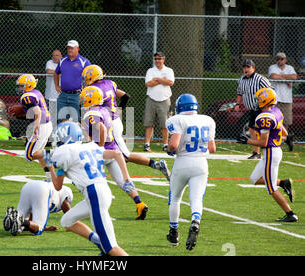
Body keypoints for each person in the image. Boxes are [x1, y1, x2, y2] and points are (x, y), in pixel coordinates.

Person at [48, 121, 129, 256]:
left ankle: (105, 246)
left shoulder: (65, 152)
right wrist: (127, 179)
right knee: (66, 221)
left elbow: (57, 185)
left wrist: (48, 164)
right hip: (102, 192)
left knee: (111, 248)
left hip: (94, 194)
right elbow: (58, 185)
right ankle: (100, 242)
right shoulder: (90, 147)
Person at [81, 64, 171, 181]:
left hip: (108, 124)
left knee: (124, 155)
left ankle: (157, 165)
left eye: (87, 77)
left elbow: (94, 104)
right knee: (100, 150)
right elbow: (125, 96)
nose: (85, 81)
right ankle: (89, 176)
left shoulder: (96, 90)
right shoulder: (110, 83)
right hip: (110, 121)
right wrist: (118, 111)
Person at [80, 85, 150, 220]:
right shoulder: (105, 110)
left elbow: (101, 129)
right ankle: (139, 204)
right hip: (113, 150)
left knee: (85, 178)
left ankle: (95, 208)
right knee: (122, 181)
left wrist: (99, 147)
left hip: (101, 152)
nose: (82, 100)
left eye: (84, 97)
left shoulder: (91, 113)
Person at [237, 88, 297, 223]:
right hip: (272, 152)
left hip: (271, 152)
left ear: (266, 101)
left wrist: (246, 141)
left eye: (259, 100)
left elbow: (263, 142)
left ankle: (290, 214)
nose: (257, 102)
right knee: (254, 178)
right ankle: (283, 182)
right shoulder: (276, 111)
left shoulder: (265, 117)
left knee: (270, 188)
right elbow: (285, 133)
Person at [165, 93, 216, 251]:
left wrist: (168, 149)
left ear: (180, 106)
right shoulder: (207, 120)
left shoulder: (177, 119)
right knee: (196, 199)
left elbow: (173, 145)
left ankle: (174, 233)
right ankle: (195, 221)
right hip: (201, 163)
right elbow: (212, 149)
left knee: (175, 198)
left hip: (182, 162)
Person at [12, 74, 54, 182]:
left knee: (30, 155)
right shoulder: (35, 92)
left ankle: (55, 154)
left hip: (41, 125)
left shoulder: (27, 97)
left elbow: (38, 112)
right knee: (39, 154)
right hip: (46, 124)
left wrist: (35, 128)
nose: (19, 88)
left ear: (28, 85)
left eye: (21, 86)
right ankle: (50, 177)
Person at [3, 180, 73, 236]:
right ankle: (21, 220)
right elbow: (65, 204)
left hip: (28, 186)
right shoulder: (66, 192)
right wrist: (72, 224)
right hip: (42, 189)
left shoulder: (55, 191)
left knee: (19, 226)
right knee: (38, 228)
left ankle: (12, 218)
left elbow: (31, 221)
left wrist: (46, 229)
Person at [234, 59, 272, 160]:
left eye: (248, 67)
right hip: (251, 109)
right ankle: (257, 151)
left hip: (260, 108)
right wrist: (237, 103)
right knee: (252, 129)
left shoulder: (260, 79)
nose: (246, 69)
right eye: (244, 67)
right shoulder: (241, 79)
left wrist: (267, 106)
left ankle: (258, 151)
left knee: (257, 129)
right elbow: (239, 92)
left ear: (253, 68)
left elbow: (270, 91)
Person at [143, 52, 175, 152]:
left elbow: (170, 82)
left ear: (163, 60)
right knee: (149, 123)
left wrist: (157, 79)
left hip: (164, 99)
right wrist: (162, 80)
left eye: (159, 59)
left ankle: (165, 144)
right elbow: (148, 83)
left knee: (165, 124)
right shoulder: (150, 71)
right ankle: (147, 144)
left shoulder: (169, 70)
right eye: (156, 59)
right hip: (151, 99)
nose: (157, 61)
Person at [54, 40, 91, 123]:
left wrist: (87, 89)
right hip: (63, 95)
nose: (70, 50)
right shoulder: (62, 60)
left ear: (77, 48)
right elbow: (56, 73)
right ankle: (63, 136)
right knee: (61, 119)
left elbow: (91, 76)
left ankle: (79, 135)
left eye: (72, 48)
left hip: (77, 95)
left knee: (78, 120)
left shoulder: (84, 61)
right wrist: (56, 85)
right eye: (68, 48)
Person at [268, 52, 297, 151]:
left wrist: (281, 77)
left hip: (287, 99)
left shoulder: (290, 68)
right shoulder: (273, 67)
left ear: (285, 60)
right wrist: (286, 80)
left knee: (287, 121)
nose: (279, 61)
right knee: (275, 120)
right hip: (276, 98)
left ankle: (285, 138)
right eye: (277, 59)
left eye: (281, 59)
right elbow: (273, 76)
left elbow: (294, 77)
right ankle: (276, 138)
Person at [45, 49, 62, 128]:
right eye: (53, 55)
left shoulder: (63, 63)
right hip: (51, 95)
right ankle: (52, 134)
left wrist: (56, 72)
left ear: (61, 56)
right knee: (51, 116)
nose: (54, 57)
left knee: (61, 114)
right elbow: (48, 71)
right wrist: (59, 72)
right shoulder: (49, 62)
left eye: (57, 55)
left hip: (61, 94)